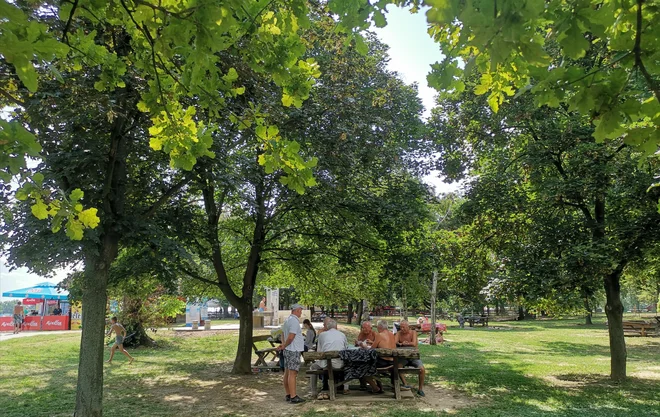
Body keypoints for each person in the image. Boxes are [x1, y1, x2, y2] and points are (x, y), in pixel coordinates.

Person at [310, 318, 348, 398]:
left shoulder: (322, 335)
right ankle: (346, 387)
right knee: (347, 364)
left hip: (325, 364)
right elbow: (345, 350)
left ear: (327, 327)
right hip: (339, 364)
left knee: (313, 367)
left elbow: (319, 352)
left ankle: (313, 391)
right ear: (336, 327)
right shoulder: (342, 335)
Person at [276, 304, 305, 404]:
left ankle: (288, 394)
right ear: (296, 310)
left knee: (287, 372)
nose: (301, 313)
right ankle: (293, 396)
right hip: (293, 350)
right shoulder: (294, 321)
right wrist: (285, 345)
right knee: (293, 373)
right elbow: (291, 336)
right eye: (300, 310)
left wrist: (284, 345)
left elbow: (283, 334)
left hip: (288, 349)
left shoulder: (287, 320)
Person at [362, 320, 396, 394]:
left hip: (384, 362)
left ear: (379, 327)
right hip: (393, 361)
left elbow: (372, 349)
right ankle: (388, 386)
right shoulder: (392, 334)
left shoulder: (379, 335)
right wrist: (373, 342)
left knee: (365, 365)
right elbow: (384, 344)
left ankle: (378, 387)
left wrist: (363, 346)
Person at [395, 320, 426, 397]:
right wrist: (400, 343)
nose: (402, 329)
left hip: (413, 357)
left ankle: (420, 389)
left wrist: (406, 343)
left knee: (422, 369)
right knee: (397, 367)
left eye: (404, 327)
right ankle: (405, 384)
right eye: (401, 327)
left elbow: (414, 343)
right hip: (403, 357)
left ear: (408, 327)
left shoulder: (413, 332)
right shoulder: (399, 333)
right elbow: (395, 342)